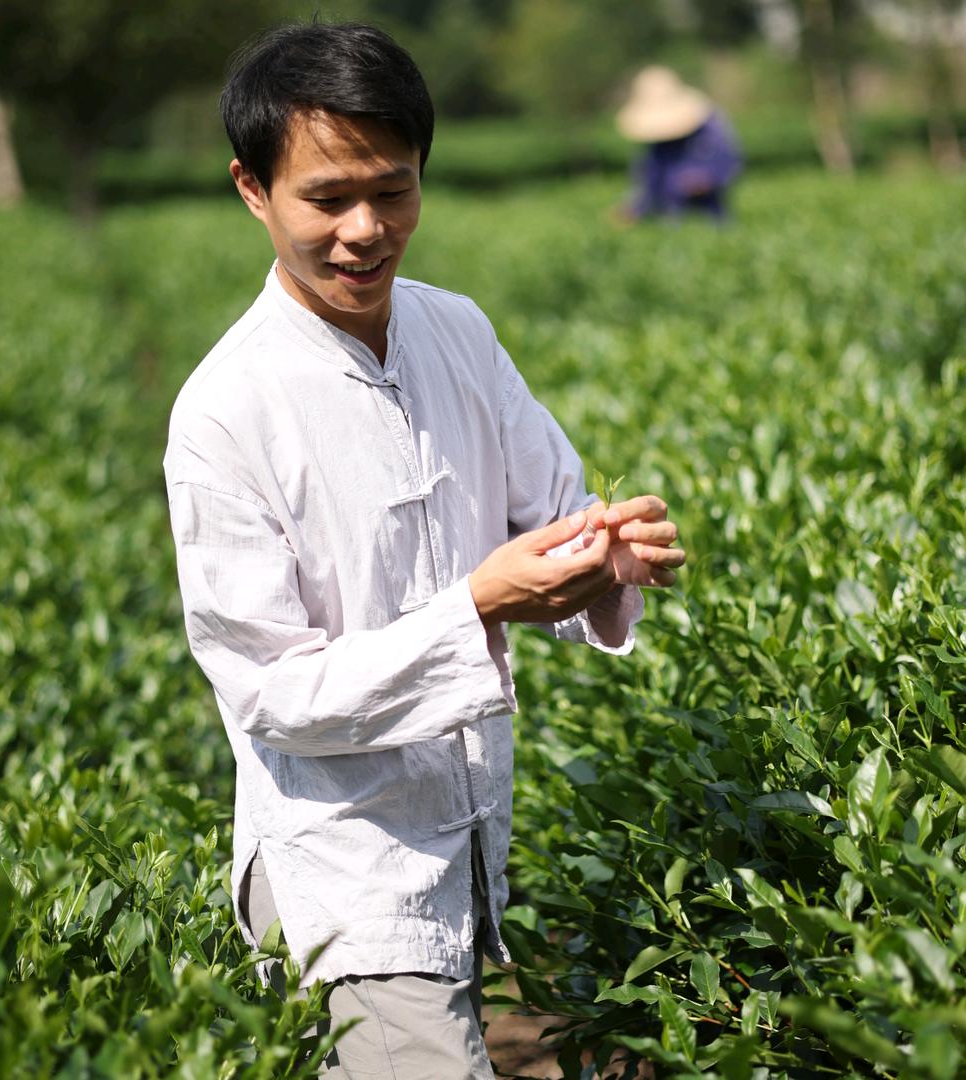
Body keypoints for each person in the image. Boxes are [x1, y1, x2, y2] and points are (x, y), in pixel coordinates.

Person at [163, 21, 685, 1079]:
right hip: (344, 871)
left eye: (393, 191)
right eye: (327, 198)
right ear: (252, 190)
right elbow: (273, 694)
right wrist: (480, 606)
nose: (366, 229)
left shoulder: (457, 332)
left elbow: (551, 505)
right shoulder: (226, 411)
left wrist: (607, 552)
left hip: (464, 832)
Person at [615, 66, 743, 222]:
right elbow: (649, 176)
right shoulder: (655, 144)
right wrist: (635, 207)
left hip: (710, 210)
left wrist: (707, 179)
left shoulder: (710, 130)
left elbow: (729, 161)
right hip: (671, 214)